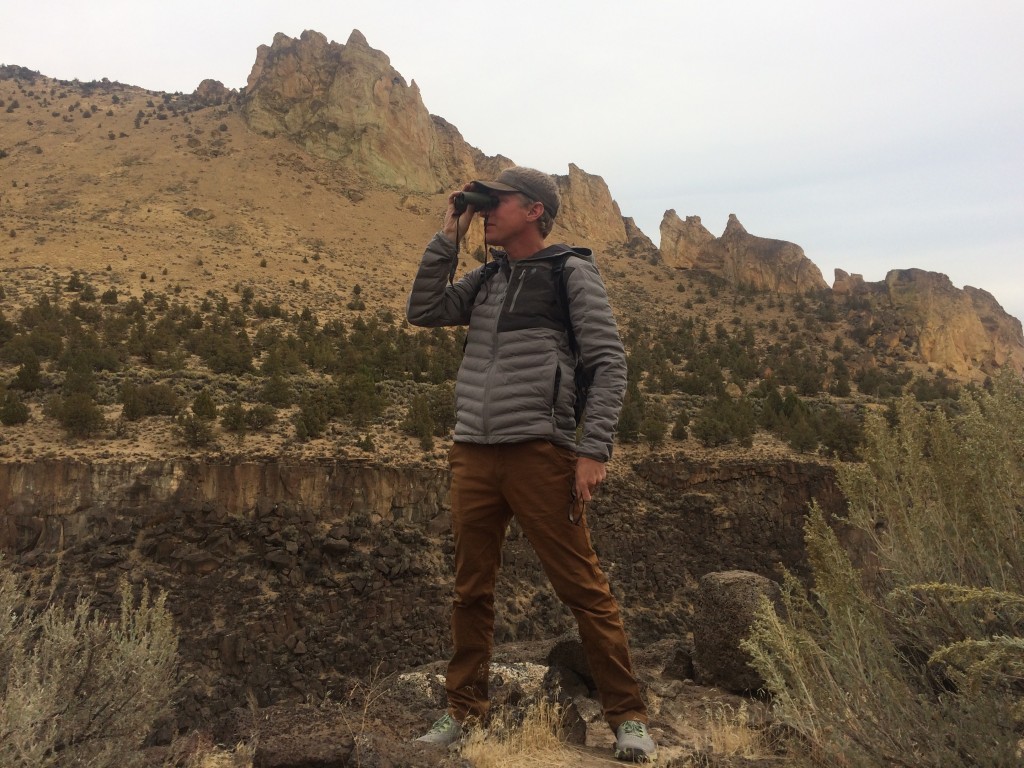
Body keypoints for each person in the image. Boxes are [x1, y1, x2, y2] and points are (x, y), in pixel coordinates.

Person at [406, 167, 656, 763]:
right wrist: (451, 231)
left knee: (583, 589)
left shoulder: (570, 272)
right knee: (471, 590)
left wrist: (593, 450)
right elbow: (425, 309)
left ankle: (628, 718)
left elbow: (608, 364)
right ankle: (464, 712)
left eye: (498, 203)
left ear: (535, 211)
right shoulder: (488, 278)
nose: (487, 211)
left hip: (539, 453)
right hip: (473, 451)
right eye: (482, 204)